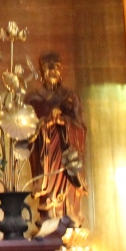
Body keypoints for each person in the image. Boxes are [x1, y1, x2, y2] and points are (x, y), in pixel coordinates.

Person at [25, 52, 86, 222]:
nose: (52, 71)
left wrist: (64, 121)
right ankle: (49, 218)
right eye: (48, 68)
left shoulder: (70, 97)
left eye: (56, 68)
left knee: (69, 179)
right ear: (41, 71)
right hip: (46, 152)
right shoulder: (34, 98)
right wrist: (47, 121)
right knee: (49, 185)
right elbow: (27, 128)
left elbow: (81, 126)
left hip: (66, 150)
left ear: (61, 70)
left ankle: (70, 217)